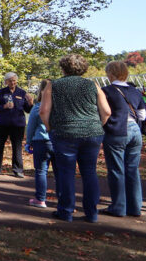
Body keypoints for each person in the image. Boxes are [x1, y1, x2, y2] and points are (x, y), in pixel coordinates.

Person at [40, 54, 111, 222]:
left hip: (64, 134)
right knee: (89, 172)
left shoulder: (53, 85)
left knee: (66, 173)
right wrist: (97, 126)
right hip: (92, 134)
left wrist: (50, 128)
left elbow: (43, 111)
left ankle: (66, 211)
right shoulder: (93, 85)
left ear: (63, 68)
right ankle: (92, 213)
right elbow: (107, 111)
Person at [100, 61, 144, 217]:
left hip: (116, 131)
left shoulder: (106, 91)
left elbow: (103, 112)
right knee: (132, 169)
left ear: (111, 73)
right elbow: (142, 116)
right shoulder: (135, 91)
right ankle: (135, 207)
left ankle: (118, 207)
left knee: (116, 170)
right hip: (135, 132)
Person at [0, 72, 33, 178]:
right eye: (10, 81)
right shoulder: (1, 92)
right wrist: (4, 106)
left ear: (16, 81)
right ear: (6, 82)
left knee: (17, 147)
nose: (12, 82)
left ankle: (18, 170)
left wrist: (31, 102)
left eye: (14, 80)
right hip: (2, 124)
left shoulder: (22, 93)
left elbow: (27, 110)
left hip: (18, 125)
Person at [25, 79, 57, 208]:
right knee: (59, 171)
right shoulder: (58, 108)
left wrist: (28, 142)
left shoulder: (38, 107)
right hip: (57, 141)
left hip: (41, 141)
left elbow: (31, 127)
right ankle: (63, 197)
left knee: (41, 171)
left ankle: (40, 199)